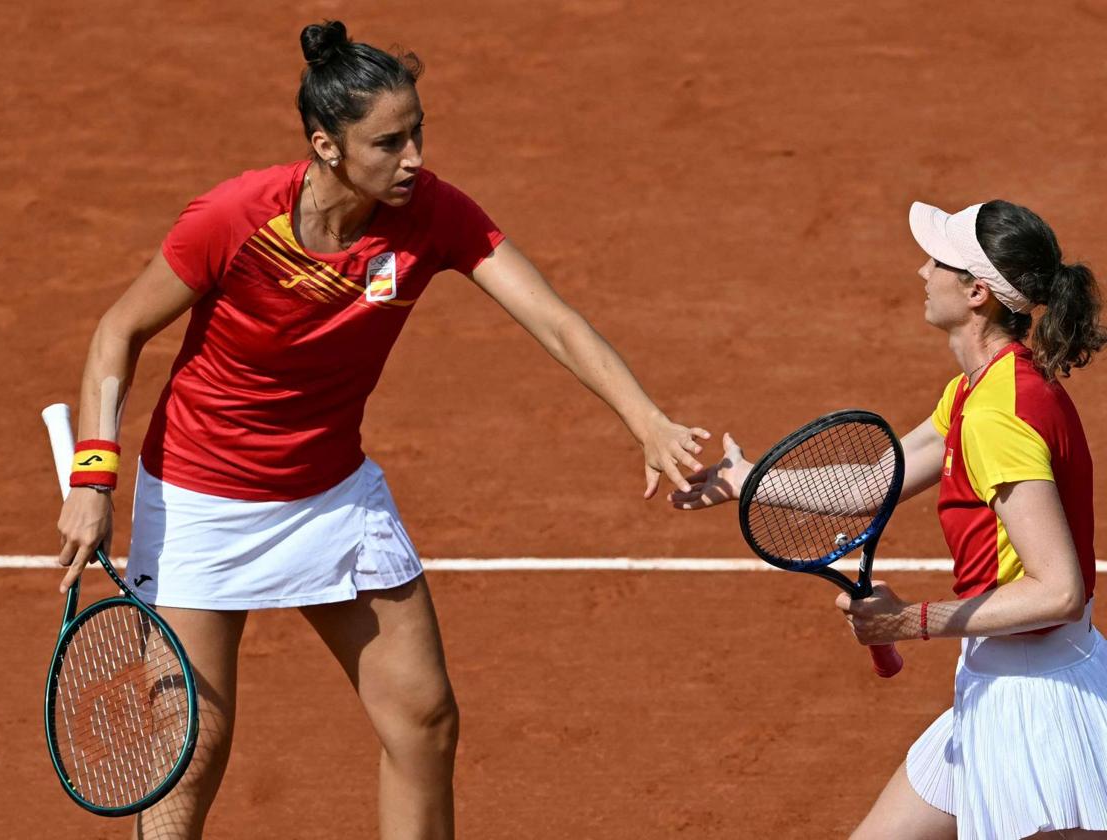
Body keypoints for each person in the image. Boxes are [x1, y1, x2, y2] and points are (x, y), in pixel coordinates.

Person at [55, 19, 708, 840]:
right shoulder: (234, 217)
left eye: (418, 132)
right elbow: (117, 331)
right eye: (389, 142)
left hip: (331, 496)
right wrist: (93, 479)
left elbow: (554, 320)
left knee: (425, 720)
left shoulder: (431, 214)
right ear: (327, 147)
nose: (414, 158)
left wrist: (646, 420)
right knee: (190, 750)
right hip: (200, 505)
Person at [672, 198, 1107, 839]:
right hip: (993, 683)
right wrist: (750, 481)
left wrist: (909, 621)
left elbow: (1060, 590)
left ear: (977, 292)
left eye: (937, 261)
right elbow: (875, 480)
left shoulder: (997, 415)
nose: (920, 273)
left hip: (1037, 711)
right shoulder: (977, 392)